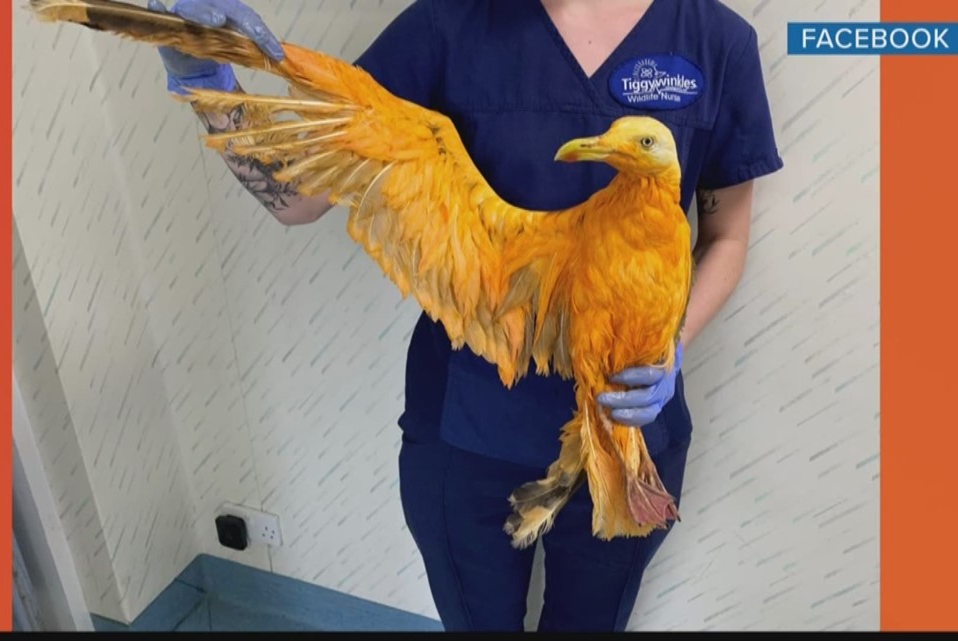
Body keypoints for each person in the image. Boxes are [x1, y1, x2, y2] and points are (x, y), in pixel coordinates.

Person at [146, 0, 783, 631]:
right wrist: (209, 88)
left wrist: (672, 343)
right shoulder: (448, 23)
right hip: (466, 430)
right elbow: (298, 200)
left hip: (626, 434)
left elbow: (725, 237)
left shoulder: (715, 41)